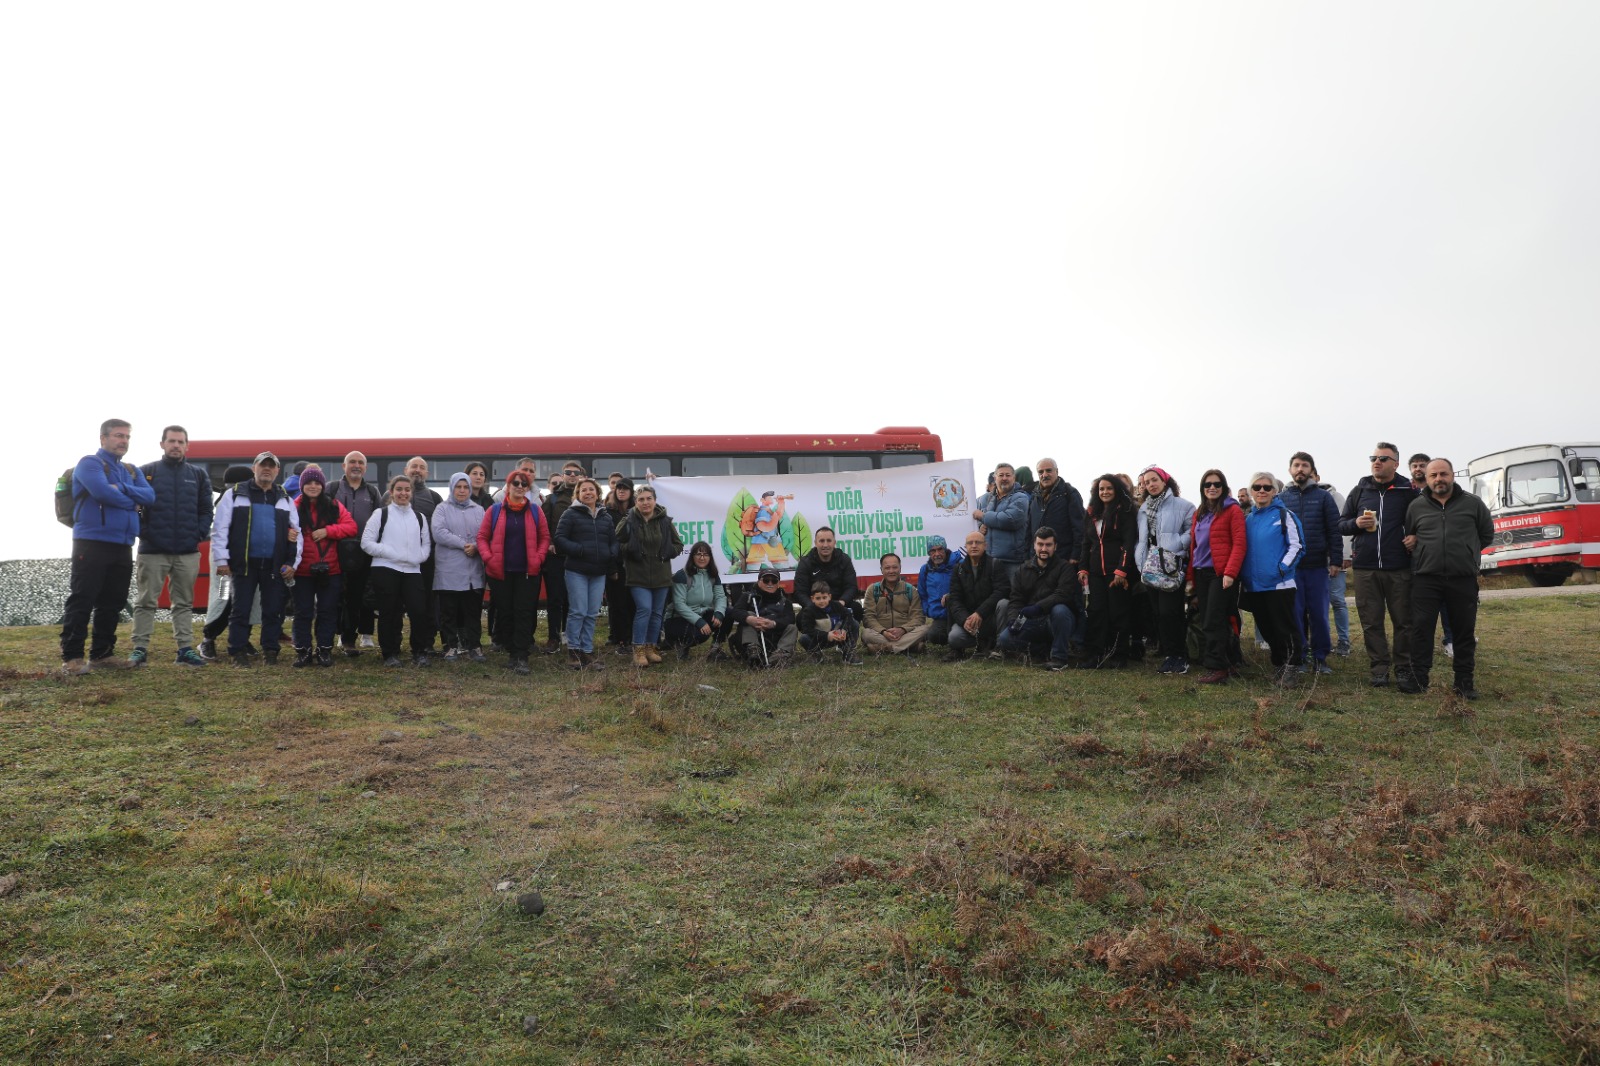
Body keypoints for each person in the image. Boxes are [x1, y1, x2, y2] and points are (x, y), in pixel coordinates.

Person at [59, 419, 158, 675]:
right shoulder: (89, 463)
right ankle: (72, 657)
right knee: (82, 598)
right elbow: (103, 493)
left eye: (127, 437)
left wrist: (123, 488)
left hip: (123, 544)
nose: (123, 441)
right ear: (103, 438)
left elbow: (150, 496)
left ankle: (102, 655)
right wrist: (132, 501)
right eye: (118, 435)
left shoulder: (131, 470)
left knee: (112, 602)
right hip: (91, 542)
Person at [1403, 459, 1494, 699]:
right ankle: (1418, 679)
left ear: (1452, 475)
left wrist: (1466, 552)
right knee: (1421, 630)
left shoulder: (1473, 504)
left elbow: (1486, 534)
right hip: (1425, 579)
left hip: (1462, 578)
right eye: (1433, 475)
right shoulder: (1416, 506)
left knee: (1463, 631)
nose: (1439, 479)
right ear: (1426, 478)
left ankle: (1464, 683)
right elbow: (1411, 535)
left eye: (1443, 474)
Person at [130, 425, 214, 668]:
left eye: (180, 441)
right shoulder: (146, 472)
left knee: (184, 602)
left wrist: (198, 534)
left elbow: (206, 510)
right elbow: (134, 508)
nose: (176, 445)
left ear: (187, 446)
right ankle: (139, 650)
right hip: (152, 550)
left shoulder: (198, 475)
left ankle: (185, 650)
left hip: (187, 551)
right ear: (162, 444)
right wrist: (144, 532)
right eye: (171, 441)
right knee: (146, 601)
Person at [1340, 442, 1419, 688]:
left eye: (1383, 459)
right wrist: (1355, 524)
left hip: (1399, 567)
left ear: (1396, 464)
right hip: (1365, 568)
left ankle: (1404, 668)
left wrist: (1416, 537)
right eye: (1373, 458)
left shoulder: (1409, 491)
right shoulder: (1359, 490)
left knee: (1404, 621)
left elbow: (1424, 521)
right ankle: (1379, 669)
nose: (1377, 462)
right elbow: (1341, 524)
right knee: (1371, 622)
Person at [212, 452, 301, 667]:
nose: (267, 469)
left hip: (274, 565)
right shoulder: (234, 494)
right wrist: (222, 560)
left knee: (273, 611)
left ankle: (270, 651)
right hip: (243, 564)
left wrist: (293, 563)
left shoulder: (285, 499)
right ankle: (237, 651)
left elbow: (296, 533)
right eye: (263, 465)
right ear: (254, 468)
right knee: (240, 610)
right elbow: (220, 529)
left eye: (271, 466)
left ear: (277, 471)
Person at [1278, 452, 1343, 676]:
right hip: (1291, 569)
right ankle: (1300, 657)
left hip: (1317, 566)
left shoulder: (1324, 497)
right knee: (1295, 615)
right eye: (1296, 465)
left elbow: (1334, 530)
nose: (1300, 469)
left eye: (1305, 465)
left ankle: (1320, 658)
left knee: (1319, 615)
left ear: (1311, 470)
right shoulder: (1281, 499)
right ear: (1290, 470)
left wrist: (1335, 560)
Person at [476, 470, 548, 674]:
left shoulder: (535, 510)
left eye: (524, 484)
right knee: (505, 613)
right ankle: (511, 652)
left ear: (527, 488)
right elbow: (482, 537)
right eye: (515, 483)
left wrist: (539, 558)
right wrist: (489, 558)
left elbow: (545, 537)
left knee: (524, 613)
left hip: (527, 572)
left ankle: (521, 655)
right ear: (508, 487)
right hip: (500, 572)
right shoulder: (494, 510)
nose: (519, 486)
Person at [1240, 473, 1306, 686]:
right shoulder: (1248, 520)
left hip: (1279, 584)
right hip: (1254, 586)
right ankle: (1279, 664)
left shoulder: (1285, 515)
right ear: (1251, 491)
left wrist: (1282, 569)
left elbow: (1297, 546)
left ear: (1275, 491)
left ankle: (1293, 667)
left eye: (1267, 487)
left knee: (1285, 627)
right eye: (1257, 487)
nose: (1262, 491)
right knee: (1267, 629)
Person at [363, 474, 434, 668]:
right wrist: (391, 553)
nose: (403, 493)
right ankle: (390, 653)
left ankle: (419, 652)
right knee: (389, 613)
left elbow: (426, 544)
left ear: (411, 492)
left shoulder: (419, 517)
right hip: (385, 568)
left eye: (407, 489)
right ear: (391, 492)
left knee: (418, 611)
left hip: (413, 570)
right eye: (399, 489)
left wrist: (419, 557)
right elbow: (366, 543)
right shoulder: (380, 514)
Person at [290, 466, 357, 667]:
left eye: (317, 483)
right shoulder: (293, 507)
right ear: (302, 486)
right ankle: (303, 651)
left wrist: (328, 531)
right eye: (309, 483)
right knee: (303, 613)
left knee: (328, 611)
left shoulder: (334, 505)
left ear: (322, 485)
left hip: (331, 569)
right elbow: (281, 527)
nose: (313, 486)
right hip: (302, 570)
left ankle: (324, 650)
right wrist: (287, 533)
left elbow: (351, 527)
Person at [1134, 466, 1196, 674]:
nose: (1151, 484)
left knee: (1171, 611)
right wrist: (1140, 559)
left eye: (1154, 480)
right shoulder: (1143, 509)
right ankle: (1169, 654)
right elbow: (1141, 538)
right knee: (1158, 613)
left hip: (1171, 565)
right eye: (1146, 482)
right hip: (1150, 567)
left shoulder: (1184, 505)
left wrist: (1175, 545)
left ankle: (1179, 655)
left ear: (1164, 481)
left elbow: (1191, 531)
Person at [615, 485, 684, 668]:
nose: (645, 503)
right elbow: (617, 540)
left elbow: (678, 544)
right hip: (637, 575)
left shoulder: (665, 521)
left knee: (657, 612)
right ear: (635, 502)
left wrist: (668, 552)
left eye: (648, 499)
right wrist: (630, 549)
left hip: (661, 575)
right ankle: (638, 649)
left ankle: (650, 647)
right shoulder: (629, 519)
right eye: (641, 499)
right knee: (644, 609)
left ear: (654, 500)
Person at [1189, 470, 1248, 685]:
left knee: (1214, 620)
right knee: (1213, 618)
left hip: (1221, 574)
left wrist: (1230, 573)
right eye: (1207, 484)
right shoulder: (1200, 513)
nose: (1212, 488)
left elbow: (1240, 544)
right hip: (1201, 573)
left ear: (1223, 487)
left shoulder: (1233, 510)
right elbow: (1194, 547)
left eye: (1216, 484)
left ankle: (1217, 667)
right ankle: (1231, 661)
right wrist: (1190, 576)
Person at [996, 526, 1078, 669]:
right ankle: (1042, 650)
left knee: (1060, 610)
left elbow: (1063, 594)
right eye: (1040, 544)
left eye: (1048, 545)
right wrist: (1013, 620)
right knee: (1004, 639)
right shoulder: (1023, 569)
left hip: (1054, 621)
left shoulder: (1065, 568)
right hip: (1030, 620)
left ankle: (1059, 658)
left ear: (1055, 546)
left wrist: (1038, 607)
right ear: (1034, 545)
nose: (1044, 549)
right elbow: (1016, 599)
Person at [555, 477, 616, 670]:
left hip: (599, 572)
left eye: (591, 489)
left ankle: (587, 651)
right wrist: (580, 549)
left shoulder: (606, 517)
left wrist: (611, 553)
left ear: (597, 493)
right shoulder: (570, 514)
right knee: (578, 611)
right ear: (578, 494)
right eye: (584, 490)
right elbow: (560, 539)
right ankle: (573, 651)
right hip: (577, 571)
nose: (588, 492)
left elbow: (613, 541)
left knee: (591, 613)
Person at [1079, 474, 1138, 669]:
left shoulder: (1126, 511)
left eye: (1109, 488)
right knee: (1096, 612)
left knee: (1118, 613)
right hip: (1095, 572)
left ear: (1117, 490)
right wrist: (1083, 567)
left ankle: (1119, 655)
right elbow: (1086, 543)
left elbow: (1129, 542)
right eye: (1101, 489)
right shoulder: (1091, 512)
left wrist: (1122, 570)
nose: (1105, 492)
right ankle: (1095, 654)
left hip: (1117, 572)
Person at [199, 465, 258, 660]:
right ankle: (208, 639)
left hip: (247, 559)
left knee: (248, 600)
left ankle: (242, 639)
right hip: (225, 562)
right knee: (223, 599)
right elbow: (220, 533)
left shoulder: (248, 499)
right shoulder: (229, 499)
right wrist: (223, 560)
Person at [332, 450, 384, 655]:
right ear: (344, 466)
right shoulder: (332, 488)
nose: (356, 465)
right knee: (335, 596)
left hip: (362, 553)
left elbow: (380, 520)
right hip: (335, 550)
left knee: (356, 597)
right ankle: (334, 635)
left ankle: (349, 639)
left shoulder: (372, 492)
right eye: (352, 462)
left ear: (365, 467)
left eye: (360, 463)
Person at [432, 472, 487, 662]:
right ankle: (450, 646)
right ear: (452, 488)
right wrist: (464, 545)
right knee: (449, 611)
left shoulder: (479, 510)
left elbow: (485, 533)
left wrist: (477, 546)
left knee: (472, 611)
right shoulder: (442, 509)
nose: (462, 491)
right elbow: (439, 532)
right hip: (449, 569)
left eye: (465, 487)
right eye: (458, 487)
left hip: (473, 570)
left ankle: (475, 646)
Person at [539, 461, 585, 653]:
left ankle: (569, 633)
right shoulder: (552, 499)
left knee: (573, 599)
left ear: (581, 475)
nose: (572, 475)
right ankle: (553, 637)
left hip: (579, 557)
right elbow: (543, 525)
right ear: (563, 475)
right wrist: (549, 543)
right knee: (555, 598)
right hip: (556, 556)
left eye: (576, 472)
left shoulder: (587, 497)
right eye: (568, 472)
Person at [947, 530, 1008, 661]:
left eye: (978, 542)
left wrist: (980, 613)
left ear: (985, 545)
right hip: (970, 621)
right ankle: (960, 649)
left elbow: (1002, 591)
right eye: (970, 543)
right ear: (966, 546)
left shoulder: (995, 564)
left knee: (1004, 604)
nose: (974, 546)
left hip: (990, 619)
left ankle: (1000, 647)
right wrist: (964, 620)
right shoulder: (958, 569)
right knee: (954, 637)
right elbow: (955, 599)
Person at [666, 541, 729, 661]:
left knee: (728, 614)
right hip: (678, 619)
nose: (702, 558)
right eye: (698, 554)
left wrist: (719, 613)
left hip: (702, 614)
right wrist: (699, 621)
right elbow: (679, 605)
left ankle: (715, 648)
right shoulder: (681, 575)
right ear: (692, 556)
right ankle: (680, 645)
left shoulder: (713, 575)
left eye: (706, 555)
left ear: (710, 557)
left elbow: (720, 597)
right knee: (700, 633)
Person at [727, 564, 798, 666]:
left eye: (774, 581)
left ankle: (780, 655)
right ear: (759, 581)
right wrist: (750, 619)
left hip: (775, 637)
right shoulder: (748, 596)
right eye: (766, 580)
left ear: (778, 583)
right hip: (753, 635)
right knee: (749, 614)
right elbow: (735, 612)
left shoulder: (785, 601)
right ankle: (753, 650)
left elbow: (790, 618)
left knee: (792, 627)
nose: (770, 583)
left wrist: (773, 623)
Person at [971, 463, 1030, 584]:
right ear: (995, 478)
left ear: (1014, 478)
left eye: (1008, 475)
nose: (1004, 478)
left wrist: (984, 517)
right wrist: (980, 528)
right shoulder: (984, 499)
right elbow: (973, 520)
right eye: (1001, 475)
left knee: (1013, 594)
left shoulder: (1021, 498)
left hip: (1012, 561)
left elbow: (1011, 520)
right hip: (988, 561)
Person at [861, 553, 930, 654]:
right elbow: (868, 618)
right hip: (882, 635)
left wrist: (903, 630)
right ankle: (908, 647)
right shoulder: (873, 590)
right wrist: (883, 632)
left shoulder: (910, 590)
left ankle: (885, 648)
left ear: (900, 568)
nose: (891, 571)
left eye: (895, 567)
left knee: (926, 629)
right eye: (887, 568)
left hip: (905, 634)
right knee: (866, 633)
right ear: (881, 570)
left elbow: (918, 618)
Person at [792, 526, 863, 621]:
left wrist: (842, 602)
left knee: (857, 608)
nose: (825, 545)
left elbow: (851, 587)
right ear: (815, 543)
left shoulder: (844, 560)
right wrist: (813, 606)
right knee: (800, 618)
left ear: (834, 542)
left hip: (839, 603)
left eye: (829, 541)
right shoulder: (805, 563)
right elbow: (800, 591)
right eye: (821, 541)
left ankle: (847, 630)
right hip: (815, 605)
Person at [1317, 470, 1353, 656]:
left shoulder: (1335, 497)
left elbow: (1343, 526)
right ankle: (1322, 641)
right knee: (1317, 604)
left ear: (1316, 477)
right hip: (1314, 560)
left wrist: (1345, 555)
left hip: (1335, 558)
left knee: (1337, 600)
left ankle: (1344, 641)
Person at [1029, 459, 1085, 570]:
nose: (1045, 475)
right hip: (1038, 559)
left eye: (1048, 470)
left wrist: (1075, 555)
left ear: (1057, 471)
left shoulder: (1069, 494)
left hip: (1063, 558)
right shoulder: (1034, 497)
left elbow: (1079, 527)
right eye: (1041, 472)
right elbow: (1029, 528)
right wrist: (1029, 554)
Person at [603, 478, 637, 651]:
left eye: (625, 488)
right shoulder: (607, 513)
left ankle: (630, 637)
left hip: (634, 564)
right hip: (615, 563)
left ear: (631, 492)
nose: (621, 491)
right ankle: (618, 637)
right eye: (618, 488)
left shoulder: (637, 512)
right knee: (616, 603)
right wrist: (611, 566)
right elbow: (607, 540)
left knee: (632, 602)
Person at [798, 580, 862, 663]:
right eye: (818, 598)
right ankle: (816, 654)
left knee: (854, 624)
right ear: (812, 599)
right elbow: (807, 630)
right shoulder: (808, 611)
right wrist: (827, 635)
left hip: (838, 637)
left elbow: (848, 615)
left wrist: (843, 630)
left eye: (824, 597)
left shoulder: (836, 605)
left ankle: (848, 653)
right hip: (820, 640)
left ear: (829, 597)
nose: (821, 601)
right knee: (804, 638)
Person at [915, 536, 959, 646]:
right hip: (940, 617)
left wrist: (951, 596)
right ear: (929, 553)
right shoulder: (925, 570)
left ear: (945, 549)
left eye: (940, 549)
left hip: (960, 613)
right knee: (934, 635)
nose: (937, 554)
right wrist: (928, 610)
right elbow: (922, 594)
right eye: (933, 551)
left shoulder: (960, 564)